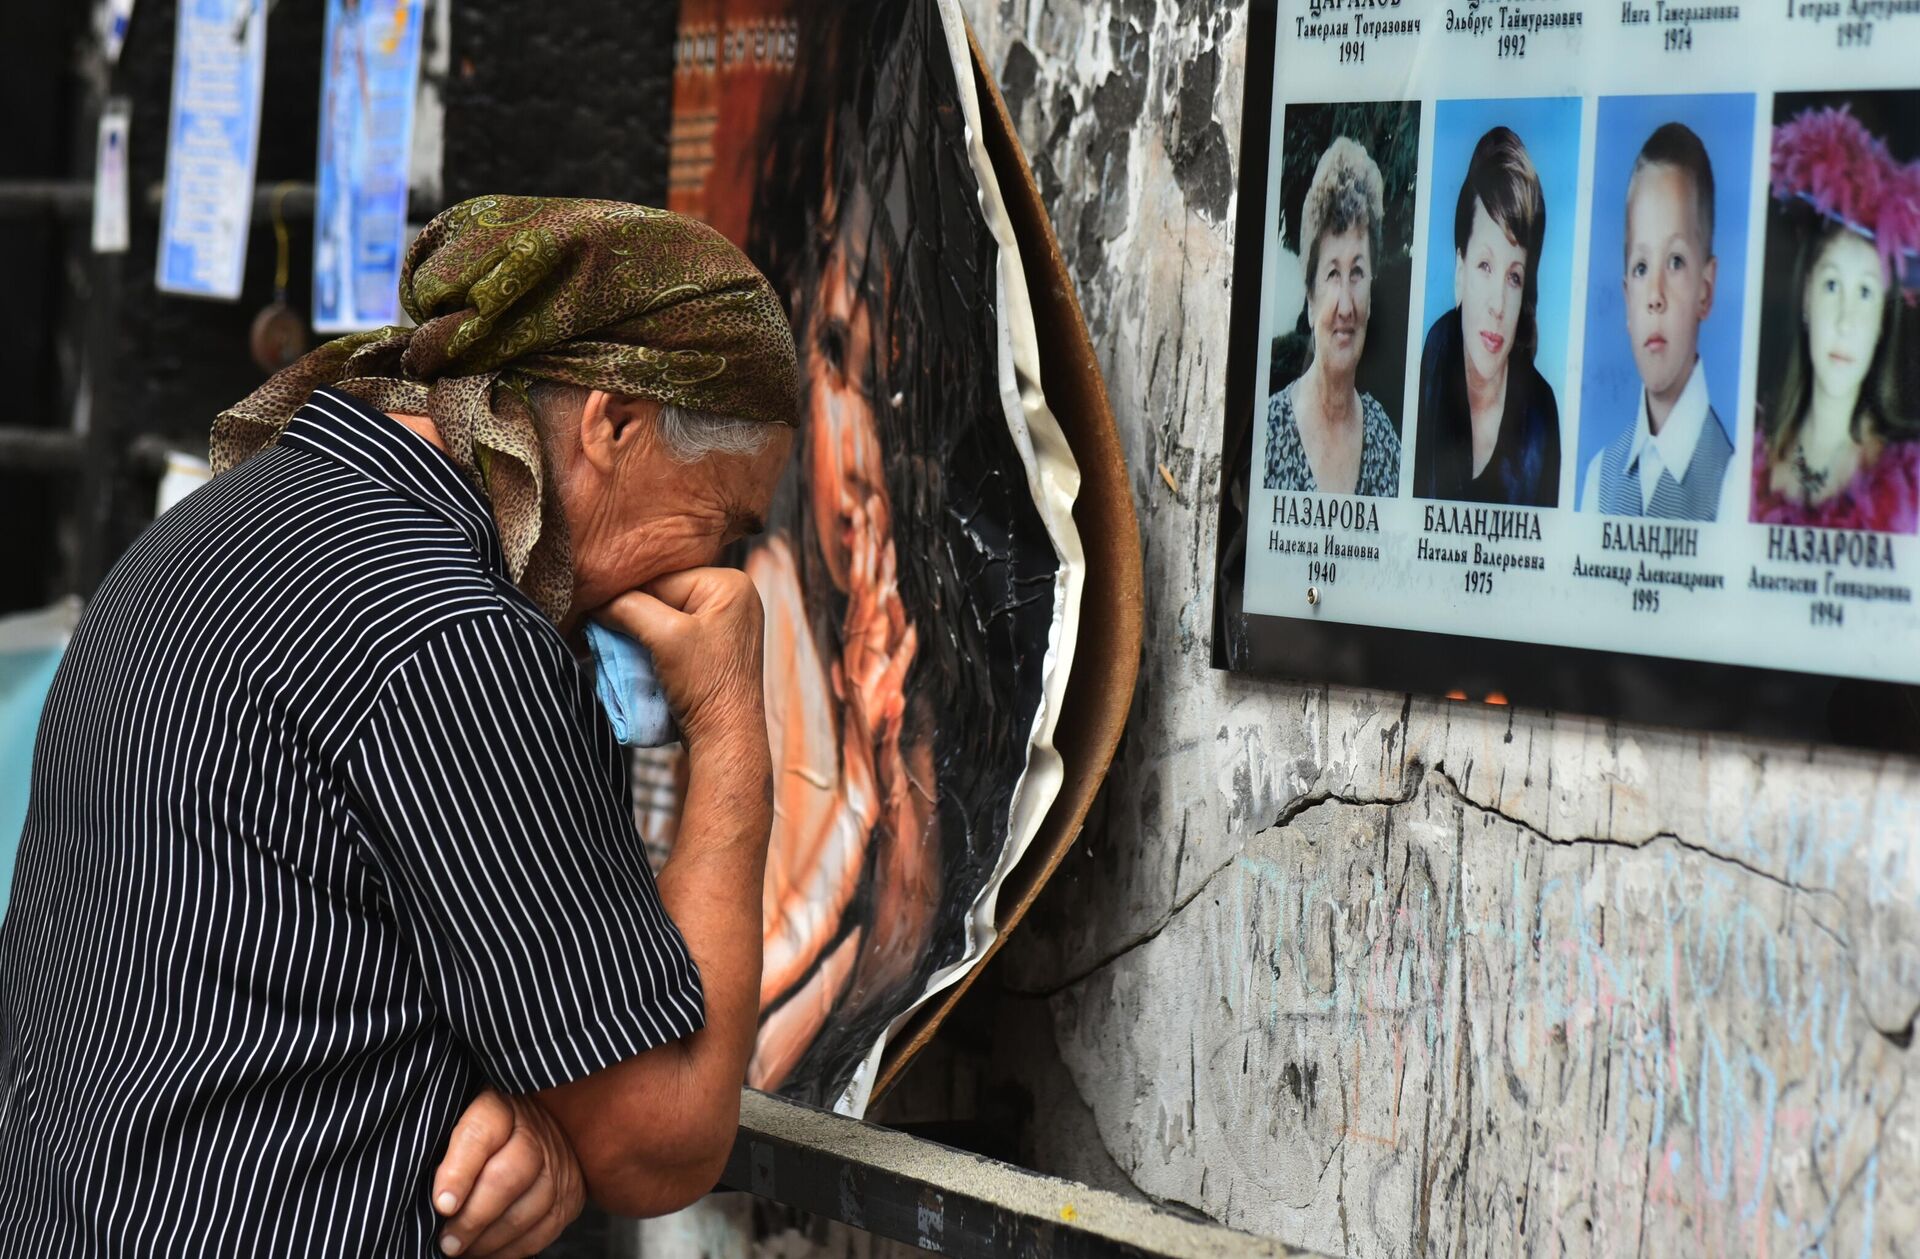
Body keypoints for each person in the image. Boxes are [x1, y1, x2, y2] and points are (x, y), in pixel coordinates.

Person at [0, 197, 799, 1257]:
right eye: (725, 522)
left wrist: (548, 1112)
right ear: (613, 422)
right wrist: (732, 718)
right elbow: (662, 1137)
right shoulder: (456, 640)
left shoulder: (213, 524)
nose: (717, 574)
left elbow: (295, 966)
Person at [1752, 105, 1920, 532]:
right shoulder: (1742, 452)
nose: (1846, 321)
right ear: (1807, 296)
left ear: (1884, 317)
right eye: (1831, 285)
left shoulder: (1909, 486)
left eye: (1865, 292)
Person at [1582, 122, 1734, 520]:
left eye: (1676, 261)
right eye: (1641, 267)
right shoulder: (1599, 480)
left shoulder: (1732, 484)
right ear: (1626, 297)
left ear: (1706, 289)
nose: (1655, 296)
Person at [1414, 125, 1561, 506]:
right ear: (1460, 270)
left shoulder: (1541, 416)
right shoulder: (1432, 357)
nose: (1498, 304)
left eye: (1514, 276)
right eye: (1484, 265)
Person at [1264, 136, 1402, 496]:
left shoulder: (1386, 444)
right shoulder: (1267, 434)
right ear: (1310, 298)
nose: (1345, 306)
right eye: (1332, 274)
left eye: (1357, 272)